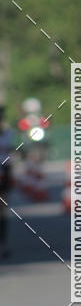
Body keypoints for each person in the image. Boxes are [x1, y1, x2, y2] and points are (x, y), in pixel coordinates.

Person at [0, 107, 14, 258]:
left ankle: (3, 243)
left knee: (2, 211)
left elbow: (10, 156)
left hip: (3, 174)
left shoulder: (7, 134)